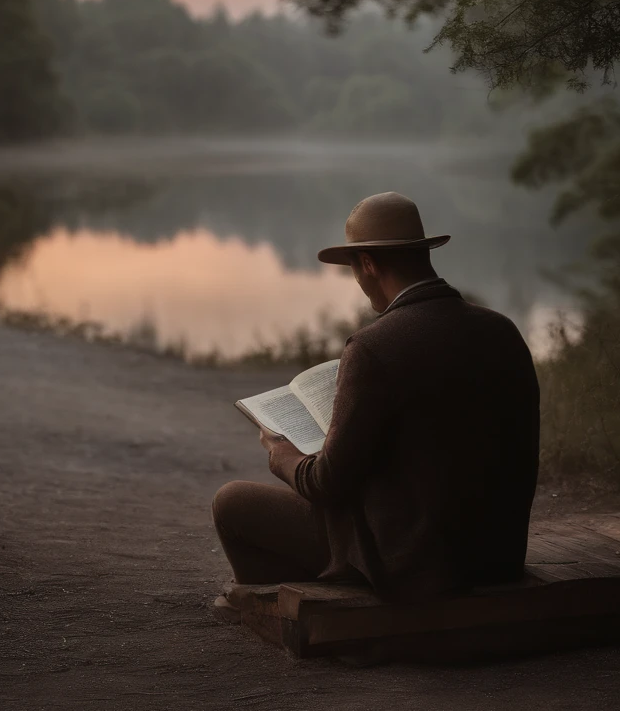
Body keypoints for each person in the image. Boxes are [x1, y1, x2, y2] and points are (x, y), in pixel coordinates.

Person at [211, 191, 540, 618]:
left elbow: (327, 483)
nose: (359, 281)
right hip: (498, 555)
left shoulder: (374, 346)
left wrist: (284, 457)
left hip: (413, 561)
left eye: (354, 268)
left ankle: (275, 608)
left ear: (368, 263)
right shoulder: (503, 332)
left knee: (231, 502)